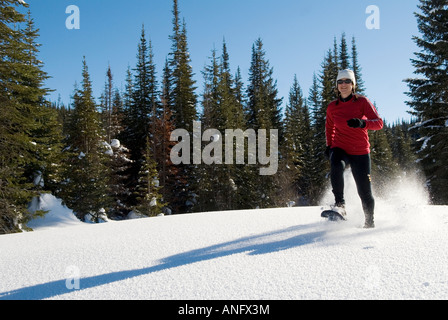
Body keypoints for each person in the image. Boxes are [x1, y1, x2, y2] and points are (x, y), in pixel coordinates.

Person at [325, 69, 383, 228]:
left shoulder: (362, 102)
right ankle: (340, 206)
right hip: (340, 147)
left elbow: (379, 123)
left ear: (353, 84)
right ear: (337, 85)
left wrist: (362, 123)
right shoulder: (332, 107)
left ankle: (369, 223)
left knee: (365, 192)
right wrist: (329, 146)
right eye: (340, 82)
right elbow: (329, 128)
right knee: (336, 164)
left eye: (347, 81)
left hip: (360, 151)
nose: (343, 85)